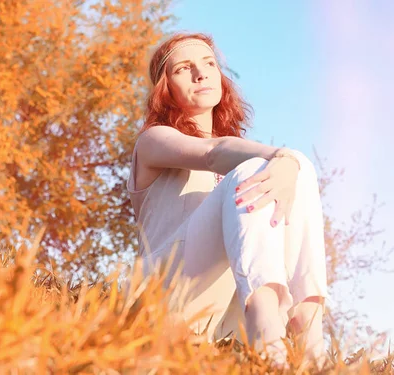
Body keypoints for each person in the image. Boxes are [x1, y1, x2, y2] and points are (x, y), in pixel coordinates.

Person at [126, 32, 328, 365]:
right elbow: (211, 152)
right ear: (166, 88)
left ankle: (308, 328)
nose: (201, 74)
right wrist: (280, 155)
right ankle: (267, 328)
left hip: (224, 313)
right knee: (270, 164)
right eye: (183, 68)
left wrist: (290, 163)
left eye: (209, 64)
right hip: (164, 294)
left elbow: (233, 153)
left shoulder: (242, 161)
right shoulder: (153, 141)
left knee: (299, 167)